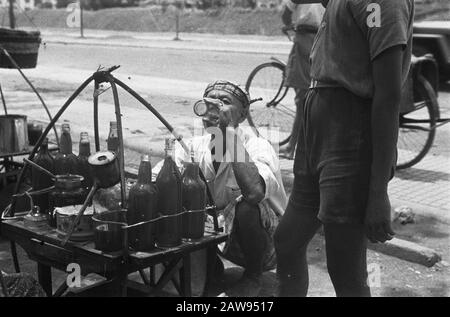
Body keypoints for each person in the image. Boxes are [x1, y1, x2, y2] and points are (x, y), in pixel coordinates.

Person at [274, 0, 414, 297]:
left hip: (350, 135)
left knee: (345, 270)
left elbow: (388, 96)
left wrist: (377, 193)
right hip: (319, 128)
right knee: (287, 240)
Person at [153, 80, 288, 297]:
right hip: (218, 232)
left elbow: (254, 193)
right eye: (211, 102)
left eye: (224, 102)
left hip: (268, 240)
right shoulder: (194, 146)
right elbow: (157, 181)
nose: (215, 108)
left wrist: (230, 131)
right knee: (176, 194)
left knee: (247, 206)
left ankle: (253, 277)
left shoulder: (258, 146)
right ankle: (209, 264)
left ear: (243, 115)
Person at [279, 0, 324, 159]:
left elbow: (286, 13)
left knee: (302, 97)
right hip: (324, 37)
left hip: (305, 37)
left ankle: (292, 147)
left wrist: (289, 26)